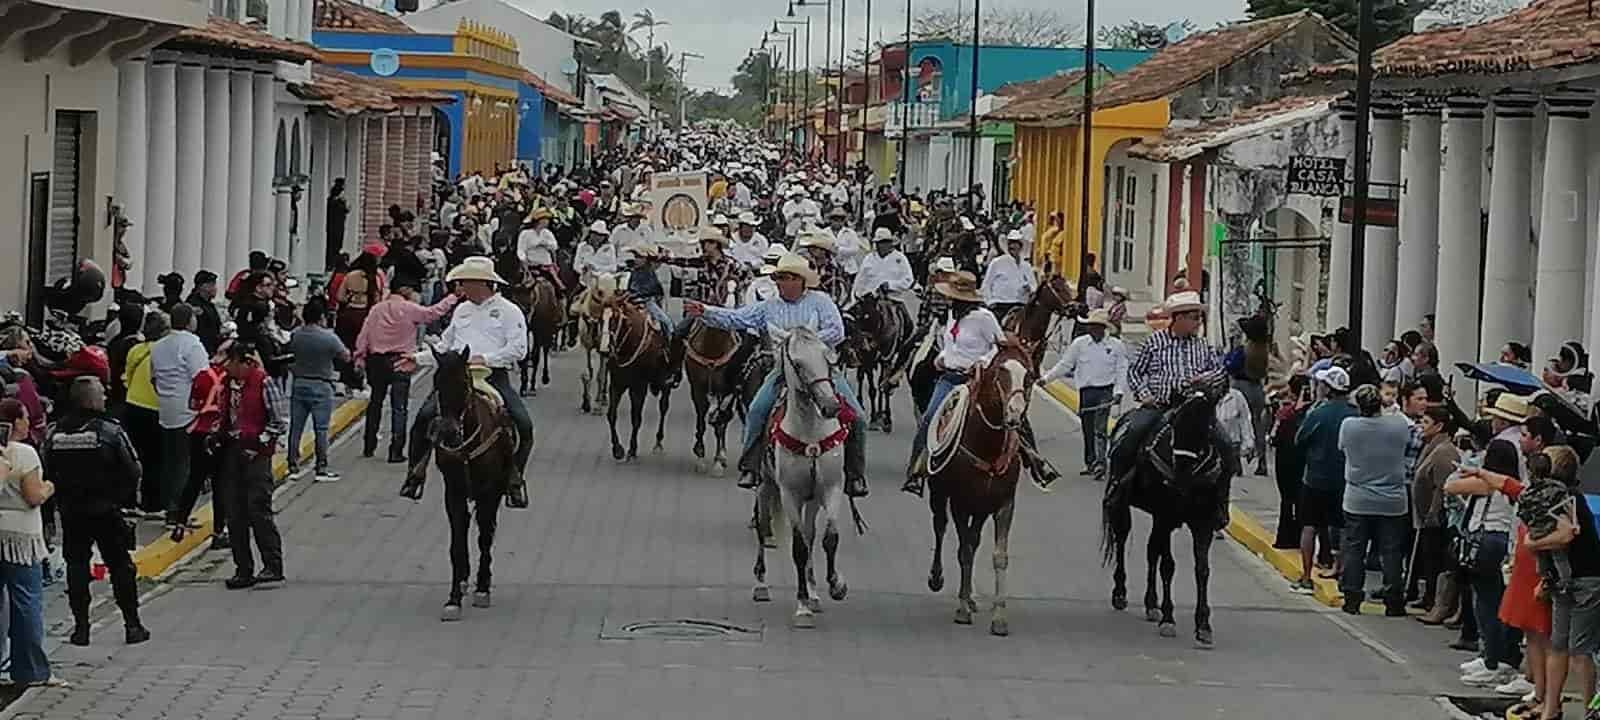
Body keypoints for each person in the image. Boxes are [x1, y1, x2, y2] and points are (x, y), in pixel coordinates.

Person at [684, 253, 869, 497]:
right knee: (756, 411)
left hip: (823, 373)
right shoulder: (768, 306)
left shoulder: (821, 302)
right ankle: (750, 466)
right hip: (782, 372)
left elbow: (836, 331)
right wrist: (706, 311)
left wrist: (802, 343)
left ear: (801, 281)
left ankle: (855, 475)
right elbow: (737, 318)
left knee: (858, 417)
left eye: (788, 278)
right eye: (780, 278)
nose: (782, 283)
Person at [402, 257, 532, 509]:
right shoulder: (461, 310)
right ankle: (415, 474)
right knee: (423, 419)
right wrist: (418, 358)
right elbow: (445, 346)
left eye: (465, 282)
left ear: (481, 283)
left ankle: (514, 479)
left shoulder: (509, 311)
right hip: (456, 377)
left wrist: (486, 358)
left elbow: (518, 349)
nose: (461, 287)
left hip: (491, 376)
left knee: (523, 425)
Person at [41, 378, 148, 647]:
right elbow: (133, 469)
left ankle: (81, 629)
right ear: (89, 399)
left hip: (71, 512)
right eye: (101, 393)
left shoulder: (55, 433)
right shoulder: (110, 431)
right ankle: (132, 625)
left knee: (76, 567)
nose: (105, 397)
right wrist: (125, 499)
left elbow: (46, 470)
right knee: (120, 567)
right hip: (106, 511)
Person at [1114, 290, 1233, 528]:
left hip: (1195, 408)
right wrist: (1145, 395)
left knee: (1226, 444)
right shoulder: (1155, 342)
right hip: (1161, 405)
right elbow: (1135, 371)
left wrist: (1205, 380)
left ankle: (1220, 503)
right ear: (1178, 318)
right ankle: (1118, 488)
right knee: (1131, 435)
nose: (1198, 323)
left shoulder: (1202, 346)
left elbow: (1219, 372)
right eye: (1194, 317)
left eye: (1200, 318)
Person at [905, 271, 1009, 495]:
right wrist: (942, 357)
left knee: (1008, 418)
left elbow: (999, 346)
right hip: (949, 378)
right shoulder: (952, 314)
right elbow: (951, 345)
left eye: (955, 298)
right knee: (929, 419)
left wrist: (982, 361)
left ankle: (1033, 461)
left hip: (975, 380)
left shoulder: (984, 318)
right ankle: (915, 471)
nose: (952, 302)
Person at [354, 277, 459, 462]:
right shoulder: (409, 309)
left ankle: (369, 445)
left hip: (377, 360)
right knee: (399, 407)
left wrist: (360, 356)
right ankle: (396, 450)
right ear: (406, 291)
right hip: (401, 360)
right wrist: (452, 298)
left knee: (375, 403)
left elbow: (364, 335)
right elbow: (433, 313)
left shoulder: (376, 309)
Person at [1337, 384, 1415, 616]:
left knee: (1355, 549)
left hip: (1358, 498)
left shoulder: (1349, 426)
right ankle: (1393, 600)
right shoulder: (1399, 425)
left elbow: (1342, 448)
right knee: (1391, 552)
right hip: (1393, 499)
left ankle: (1352, 597)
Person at [217, 341, 286, 589]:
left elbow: (279, 422)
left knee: (258, 511)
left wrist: (258, 444)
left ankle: (272, 566)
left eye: (232, 362)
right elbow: (224, 416)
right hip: (232, 453)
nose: (227, 367)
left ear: (245, 362)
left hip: (257, 456)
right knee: (234, 515)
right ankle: (243, 569)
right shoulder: (226, 384)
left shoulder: (263, 382)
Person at [0, 400, 59, 684]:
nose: (28, 423)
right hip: (21, 539)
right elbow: (33, 496)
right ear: (14, 422)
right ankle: (31, 670)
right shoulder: (24, 453)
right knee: (26, 602)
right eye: (24, 418)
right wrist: (49, 487)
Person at [1291, 366, 1357, 593]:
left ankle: (1306, 576)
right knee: (1343, 527)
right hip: (1345, 479)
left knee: (1308, 526)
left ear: (1328, 388)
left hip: (1315, 479)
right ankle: (1340, 571)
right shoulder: (1355, 413)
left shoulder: (1318, 413)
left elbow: (1299, 440)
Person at [1038, 308, 1127, 477]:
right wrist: (1046, 379)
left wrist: (1119, 391)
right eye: (1091, 326)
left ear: (1103, 328)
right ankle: (1090, 462)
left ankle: (1101, 463)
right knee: (1087, 429)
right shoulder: (1079, 344)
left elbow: (1121, 369)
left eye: (1096, 326)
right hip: (1086, 392)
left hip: (1105, 391)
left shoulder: (1116, 346)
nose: (1093, 330)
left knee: (1100, 428)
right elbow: (1065, 365)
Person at [149, 303, 210, 528]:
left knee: (171, 461)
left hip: (166, 408)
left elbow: (154, 379)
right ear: (189, 320)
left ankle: (171, 510)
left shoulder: (157, 346)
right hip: (188, 410)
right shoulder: (192, 344)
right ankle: (179, 513)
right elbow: (202, 379)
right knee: (186, 463)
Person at [287, 299, 349, 482]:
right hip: (322, 385)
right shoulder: (329, 337)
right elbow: (345, 356)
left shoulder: (296, 335)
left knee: (296, 428)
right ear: (322, 317)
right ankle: (321, 467)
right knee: (321, 429)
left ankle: (293, 466)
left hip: (299, 383)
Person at [1409, 405, 1460, 616]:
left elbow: (1442, 486)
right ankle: (1428, 596)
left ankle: (1435, 599)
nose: (1421, 427)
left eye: (1426, 423)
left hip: (1434, 516)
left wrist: (1433, 511)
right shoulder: (1431, 446)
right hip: (1424, 514)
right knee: (1427, 557)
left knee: (1434, 558)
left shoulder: (1444, 451)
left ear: (1439, 426)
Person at [123, 310, 168, 516]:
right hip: (155, 407)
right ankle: (152, 503)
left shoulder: (136, 350)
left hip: (133, 403)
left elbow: (127, 376)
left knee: (133, 456)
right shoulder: (166, 351)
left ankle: (129, 501)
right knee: (155, 459)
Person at [850, 228, 915, 305]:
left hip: (893, 299)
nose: (881, 245)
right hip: (871, 299)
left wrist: (891, 285)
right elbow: (860, 280)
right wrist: (855, 295)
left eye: (885, 242)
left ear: (890, 243)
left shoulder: (900, 258)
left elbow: (908, 280)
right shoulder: (869, 258)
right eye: (879, 243)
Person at [982, 230, 1036, 320]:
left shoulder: (1026, 266)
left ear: (1020, 246)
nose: (1013, 246)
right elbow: (986, 284)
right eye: (1011, 244)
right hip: (1001, 303)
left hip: (1021, 304)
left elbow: (1034, 284)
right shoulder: (997, 262)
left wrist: (1029, 288)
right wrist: (990, 301)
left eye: (1016, 244)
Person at [518, 207, 563, 291]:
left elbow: (555, 246)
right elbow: (521, 250)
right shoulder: (525, 234)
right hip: (531, 265)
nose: (547, 221)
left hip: (546, 265)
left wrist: (545, 244)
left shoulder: (547, 233)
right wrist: (524, 260)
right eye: (545, 219)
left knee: (558, 287)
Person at [188, 270, 224, 354]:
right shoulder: (194, 303)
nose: (215, 288)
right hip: (201, 347)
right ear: (203, 286)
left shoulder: (209, 304)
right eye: (212, 285)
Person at [326, 178, 349, 271]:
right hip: (335, 226)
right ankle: (331, 263)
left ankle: (333, 262)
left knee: (336, 245)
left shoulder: (338, 200)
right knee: (334, 245)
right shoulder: (335, 200)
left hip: (338, 225)